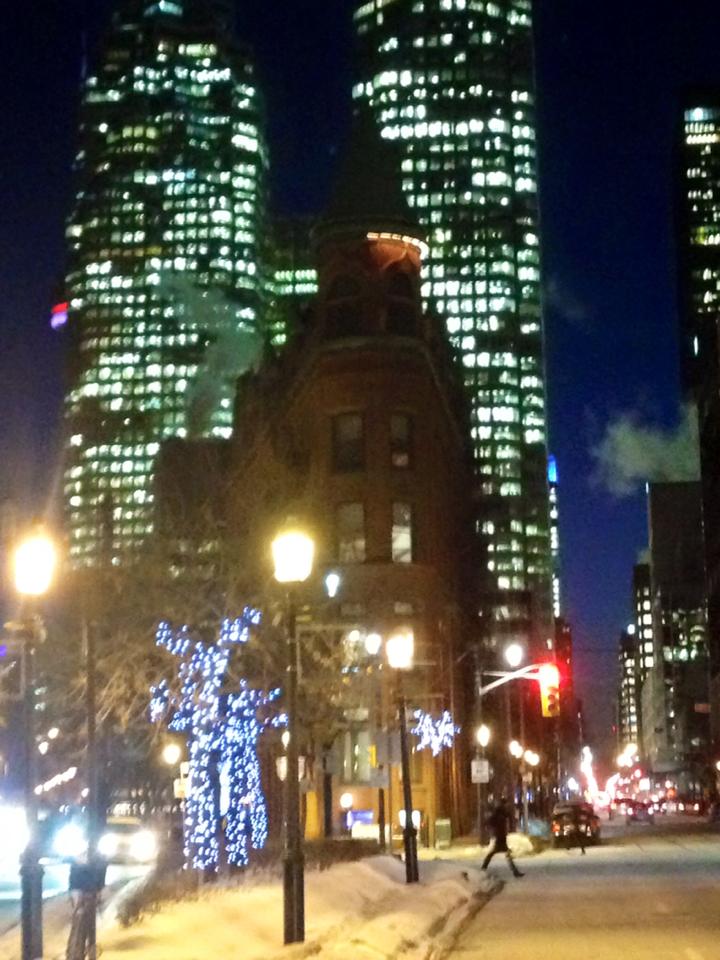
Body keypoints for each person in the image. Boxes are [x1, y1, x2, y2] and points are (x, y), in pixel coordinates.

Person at [481, 799, 524, 877]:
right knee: (500, 854)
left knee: (497, 854)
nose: (506, 806)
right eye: (505, 804)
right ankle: (515, 872)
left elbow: (490, 821)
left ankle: (483, 868)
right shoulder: (499, 814)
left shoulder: (501, 813)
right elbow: (490, 821)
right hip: (500, 837)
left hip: (501, 836)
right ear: (503, 805)